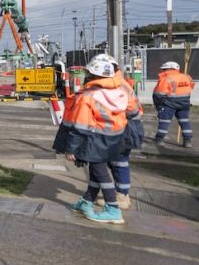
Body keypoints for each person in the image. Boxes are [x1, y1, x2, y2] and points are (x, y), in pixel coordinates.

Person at [53, 57, 129, 225]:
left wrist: (71, 149)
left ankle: (113, 208)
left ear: (93, 75)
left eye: (88, 73)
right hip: (113, 138)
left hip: (94, 140)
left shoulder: (88, 96)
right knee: (96, 172)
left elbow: (81, 126)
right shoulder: (119, 91)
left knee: (100, 172)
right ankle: (87, 200)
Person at [92, 54, 144, 210]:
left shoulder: (117, 85)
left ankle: (122, 196)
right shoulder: (119, 83)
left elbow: (127, 109)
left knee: (119, 161)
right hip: (126, 125)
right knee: (116, 161)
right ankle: (121, 193)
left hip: (124, 127)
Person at [153, 60, 195, 148]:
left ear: (170, 69)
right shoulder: (187, 77)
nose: (163, 71)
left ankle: (160, 139)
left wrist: (158, 105)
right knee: (184, 122)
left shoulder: (165, 79)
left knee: (164, 122)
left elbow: (159, 94)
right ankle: (188, 141)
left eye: (165, 69)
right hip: (184, 103)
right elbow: (191, 87)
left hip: (168, 104)